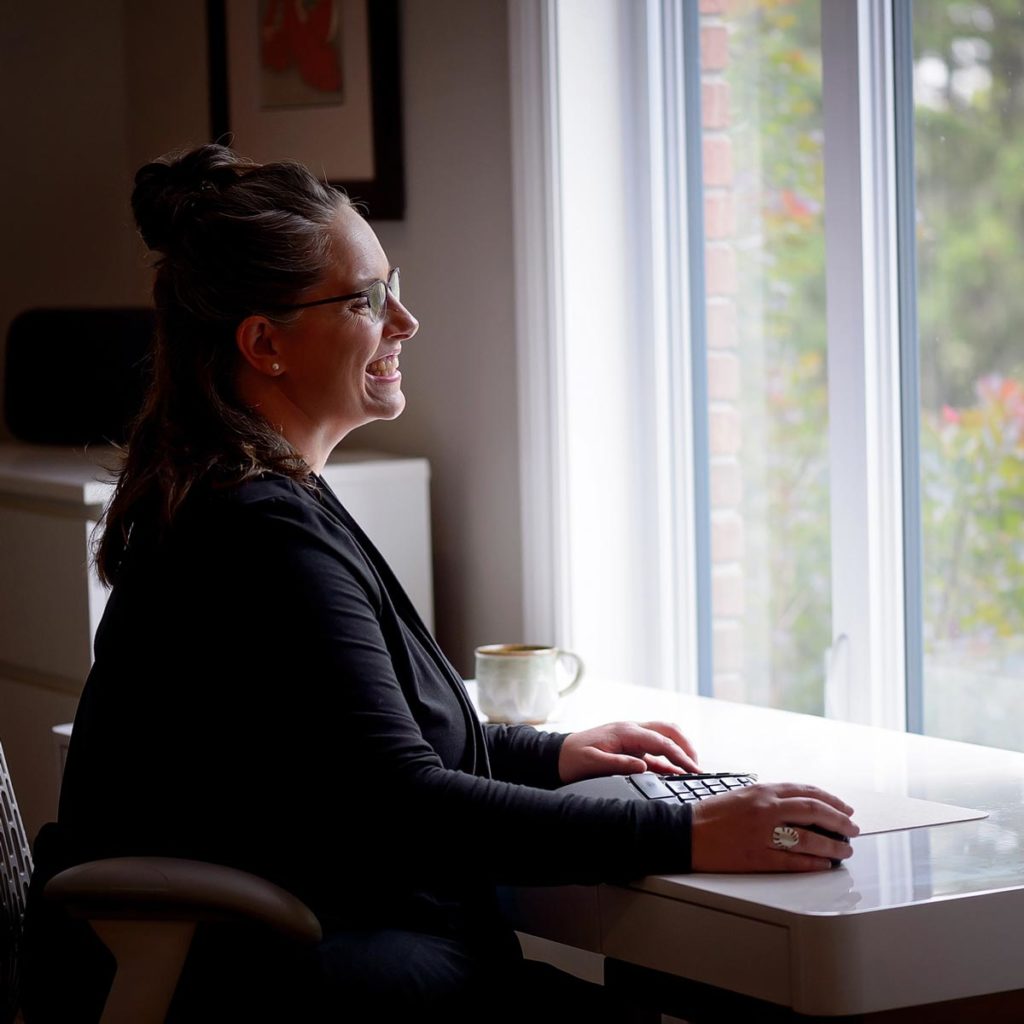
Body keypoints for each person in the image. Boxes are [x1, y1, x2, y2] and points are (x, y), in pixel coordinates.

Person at [22, 144, 857, 1022]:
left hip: (316, 953)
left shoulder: (252, 493)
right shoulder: (253, 529)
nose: (405, 321)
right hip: (282, 983)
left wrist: (555, 754)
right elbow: (401, 802)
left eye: (394, 284)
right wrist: (687, 830)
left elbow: (352, 752)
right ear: (264, 343)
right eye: (368, 299)